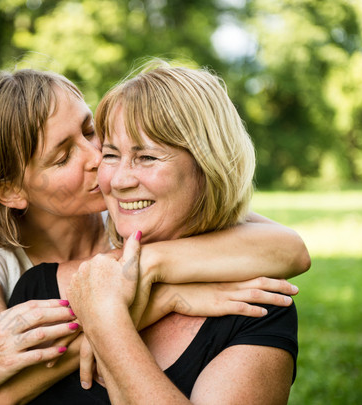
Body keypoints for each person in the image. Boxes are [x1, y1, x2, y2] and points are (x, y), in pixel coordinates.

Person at [0, 68, 310, 404]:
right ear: (9, 190)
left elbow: (289, 248)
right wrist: (162, 299)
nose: (98, 159)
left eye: (91, 132)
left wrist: (147, 265)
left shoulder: (127, 207)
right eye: (62, 157)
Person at [58, 62, 300, 403]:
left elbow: (294, 249)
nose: (120, 180)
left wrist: (107, 324)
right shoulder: (45, 282)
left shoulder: (254, 306)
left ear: (207, 167)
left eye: (147, 157)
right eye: (111, 155)